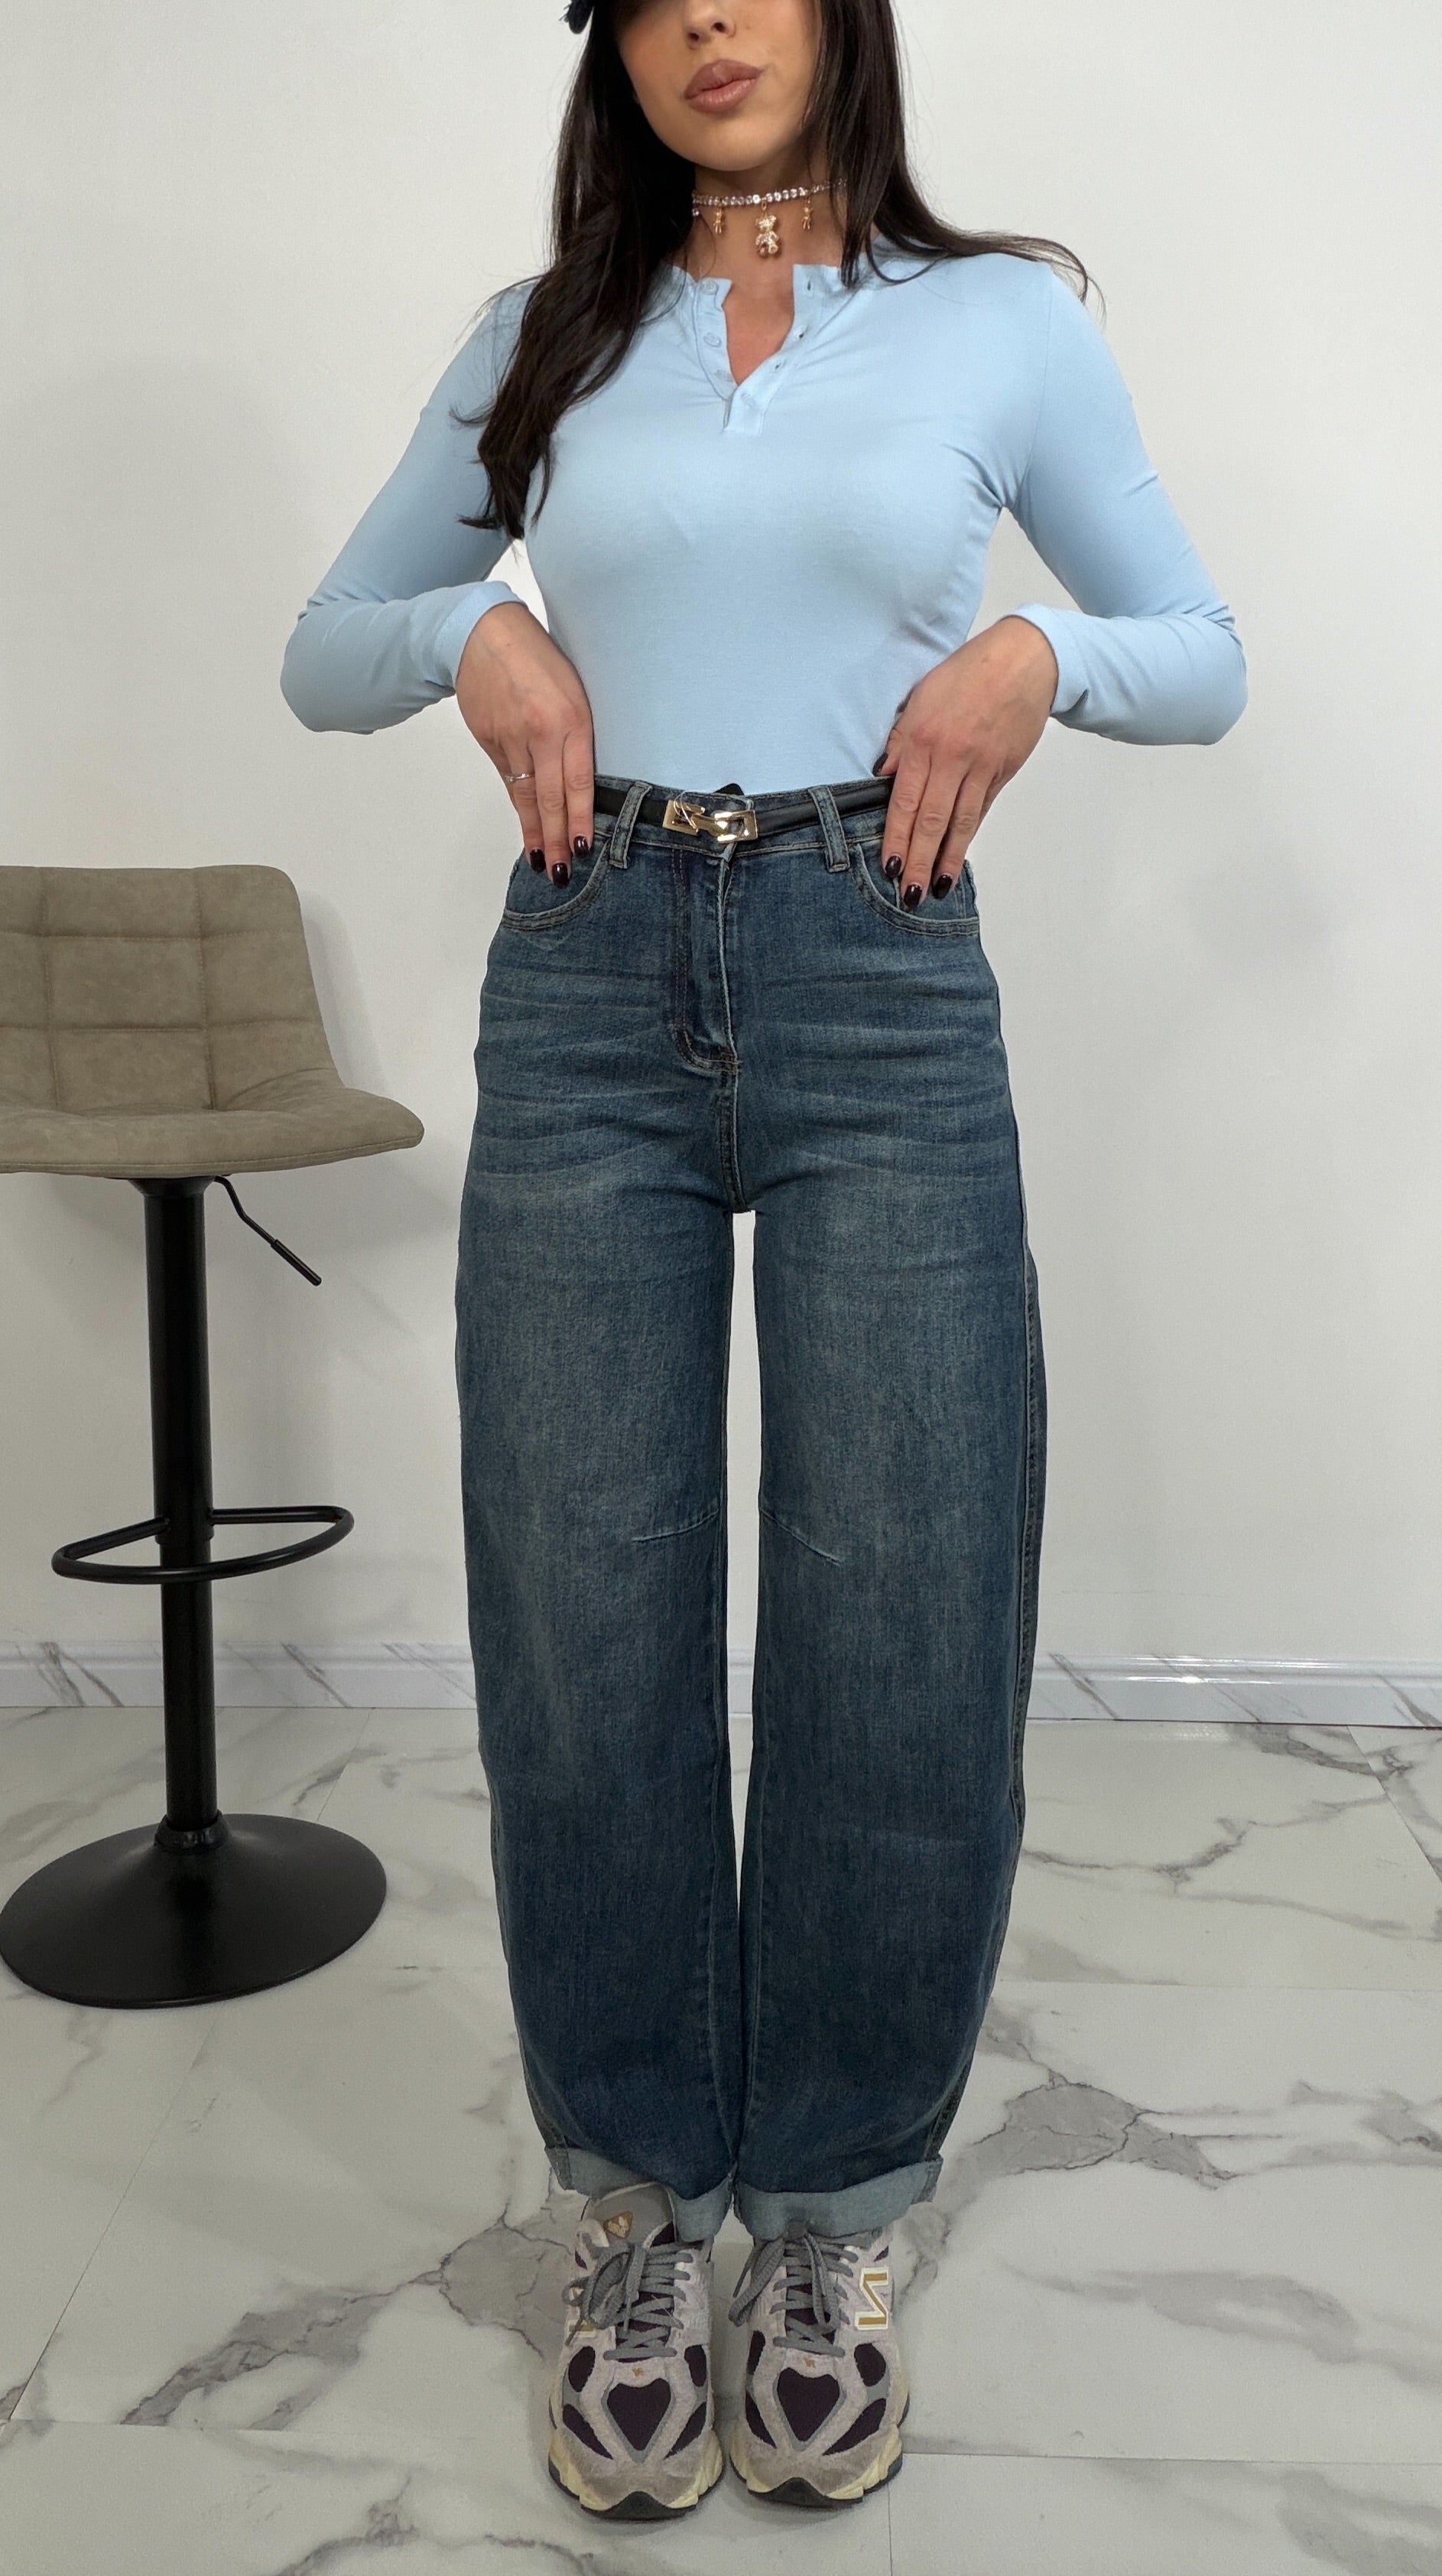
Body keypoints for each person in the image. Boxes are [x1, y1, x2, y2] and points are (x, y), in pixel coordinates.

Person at [280, 0, 1246, 2525]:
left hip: (876, 967)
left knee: (899, 1610)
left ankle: (824, 2222)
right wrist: (471, 632)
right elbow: (326, 640)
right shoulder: (541, 336)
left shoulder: (997, 319)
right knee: (584, 1615)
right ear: (607, 39)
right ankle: (635, 2210)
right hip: (589, 968)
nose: (711, 17)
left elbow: (1204, 653)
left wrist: (1034, 657)